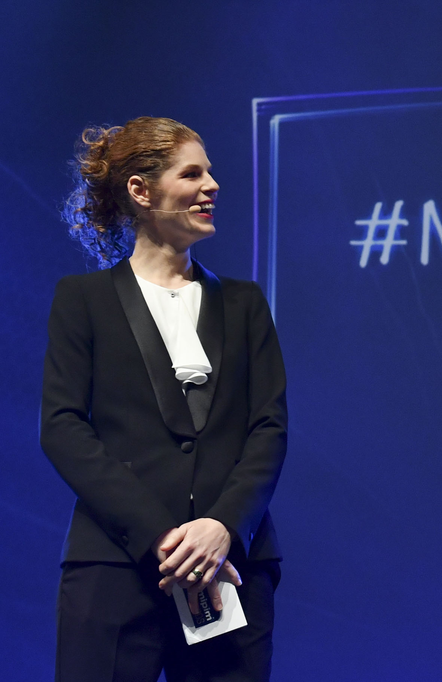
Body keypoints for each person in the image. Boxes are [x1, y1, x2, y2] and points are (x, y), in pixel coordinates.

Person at [41, 116, 287, 681]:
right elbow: (62, 426)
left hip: (229, 567)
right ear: (141, 190)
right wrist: (161, 534)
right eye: (192, 173)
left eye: (210, 172)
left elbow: (269, 427)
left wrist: (222, 525)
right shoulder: (83, 300)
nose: (212, 185)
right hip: (115, 564)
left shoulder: (245, 304)